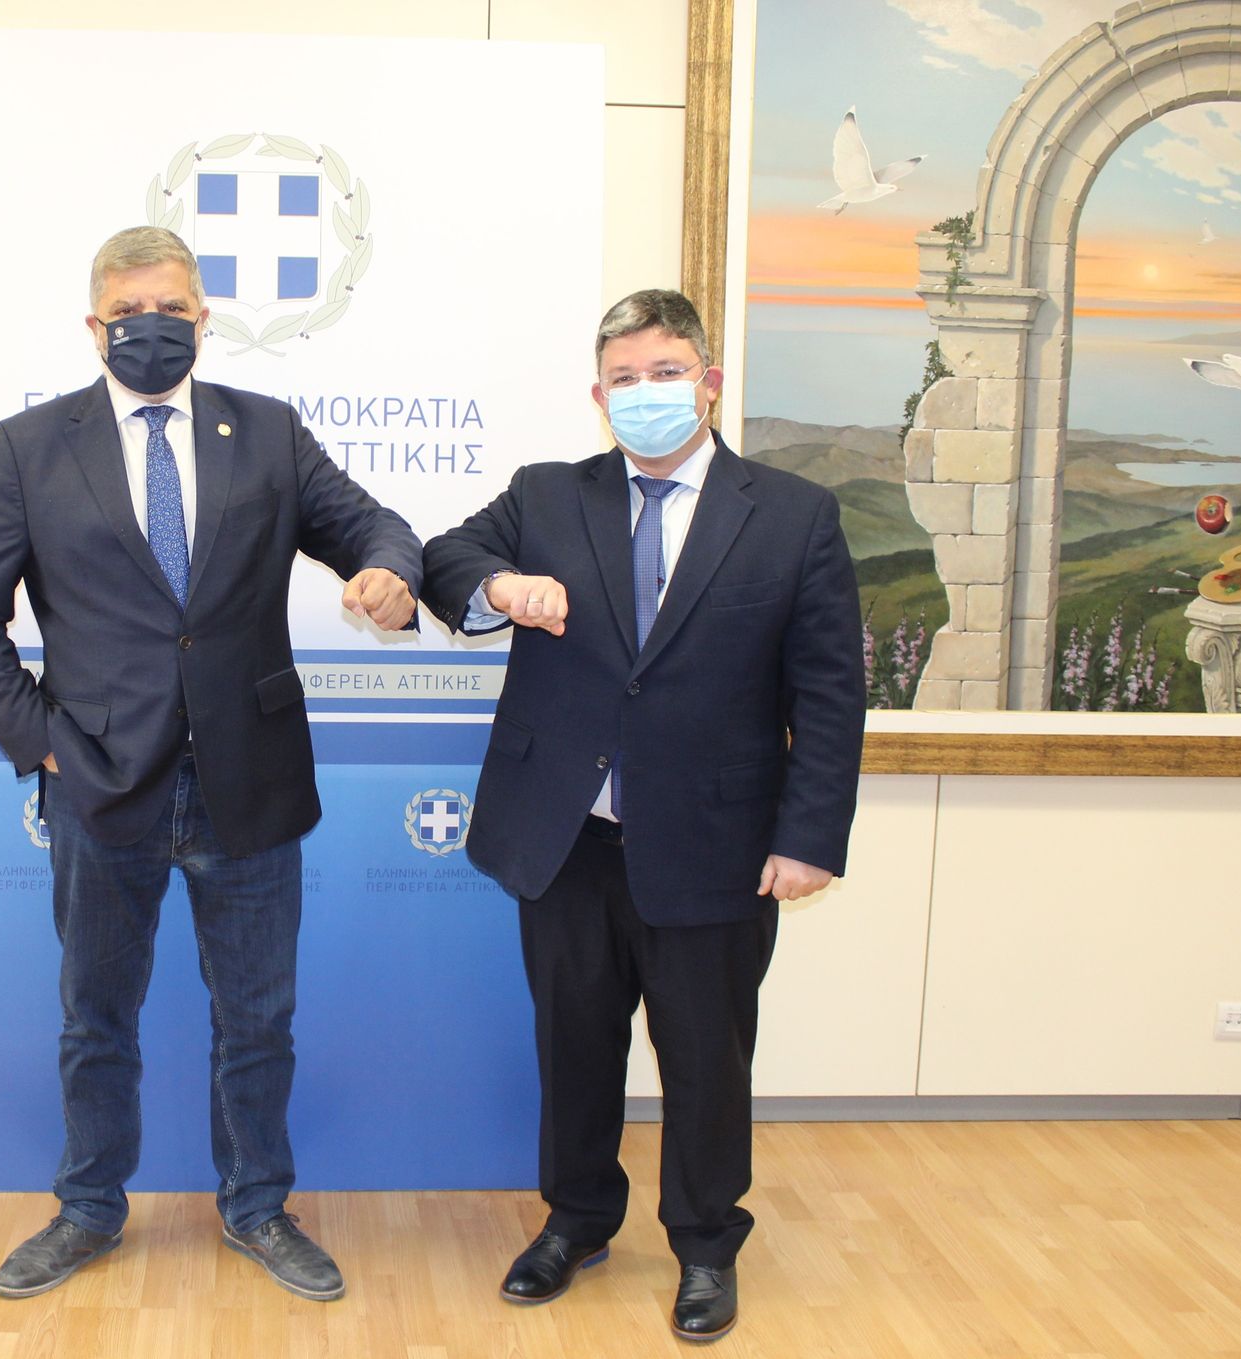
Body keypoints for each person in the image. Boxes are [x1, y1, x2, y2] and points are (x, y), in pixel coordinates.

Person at [0, 226, 422, 1303]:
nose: (148, 328)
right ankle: (87, 1208)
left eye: (170, 311)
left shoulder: (267, 432)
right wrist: (41, 743)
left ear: (203, 320)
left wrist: (389, 571)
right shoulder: (30, 446)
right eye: (127, 314)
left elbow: (373, 528)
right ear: (94, 325)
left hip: (249, 779)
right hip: (98, 786)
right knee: (94, 1020)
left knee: (257, 1021)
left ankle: (257, 1207)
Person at [421, 289, 864, 1341]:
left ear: (708, 383)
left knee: (706, 1058)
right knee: (574, 1045)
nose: (645, 392)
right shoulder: (546, 494)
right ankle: (576, 1220)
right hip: (565, 839)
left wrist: (807, 838)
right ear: (597, 395)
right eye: (624, 378)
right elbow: (445, 560)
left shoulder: (793, 514)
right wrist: (502, 588)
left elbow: (829, 692)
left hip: (716, 843)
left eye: (665, 372)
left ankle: (706, 1244)